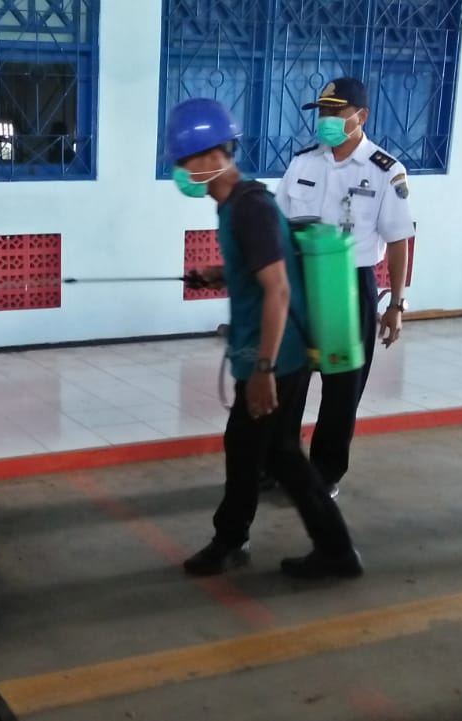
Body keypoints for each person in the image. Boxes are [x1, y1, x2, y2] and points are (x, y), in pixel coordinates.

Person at [167, 98, 363, 580]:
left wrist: (262, 371)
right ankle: (314, 548)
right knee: (265, 451)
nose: (180, 171)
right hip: (267, 352)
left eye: (185, 160)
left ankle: (249, 543)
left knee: (268, 452)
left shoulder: (248, 207)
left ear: (214, 156)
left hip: (275, 356)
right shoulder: (236, 204)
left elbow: (278, 290)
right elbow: (262, 269)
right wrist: (221, 273)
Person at [266, 77, 416, 497]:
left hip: (349, 287)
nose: (326, 120)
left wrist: (396, 304)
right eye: (323, 112)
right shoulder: (303, 162)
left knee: (342, 388)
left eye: (336, 111)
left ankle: (324, 474)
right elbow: (277, 224)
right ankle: (279, 464)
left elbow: (399, 239)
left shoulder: (385, 170)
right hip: (299, 282)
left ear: (361, 116)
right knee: (287, 380)